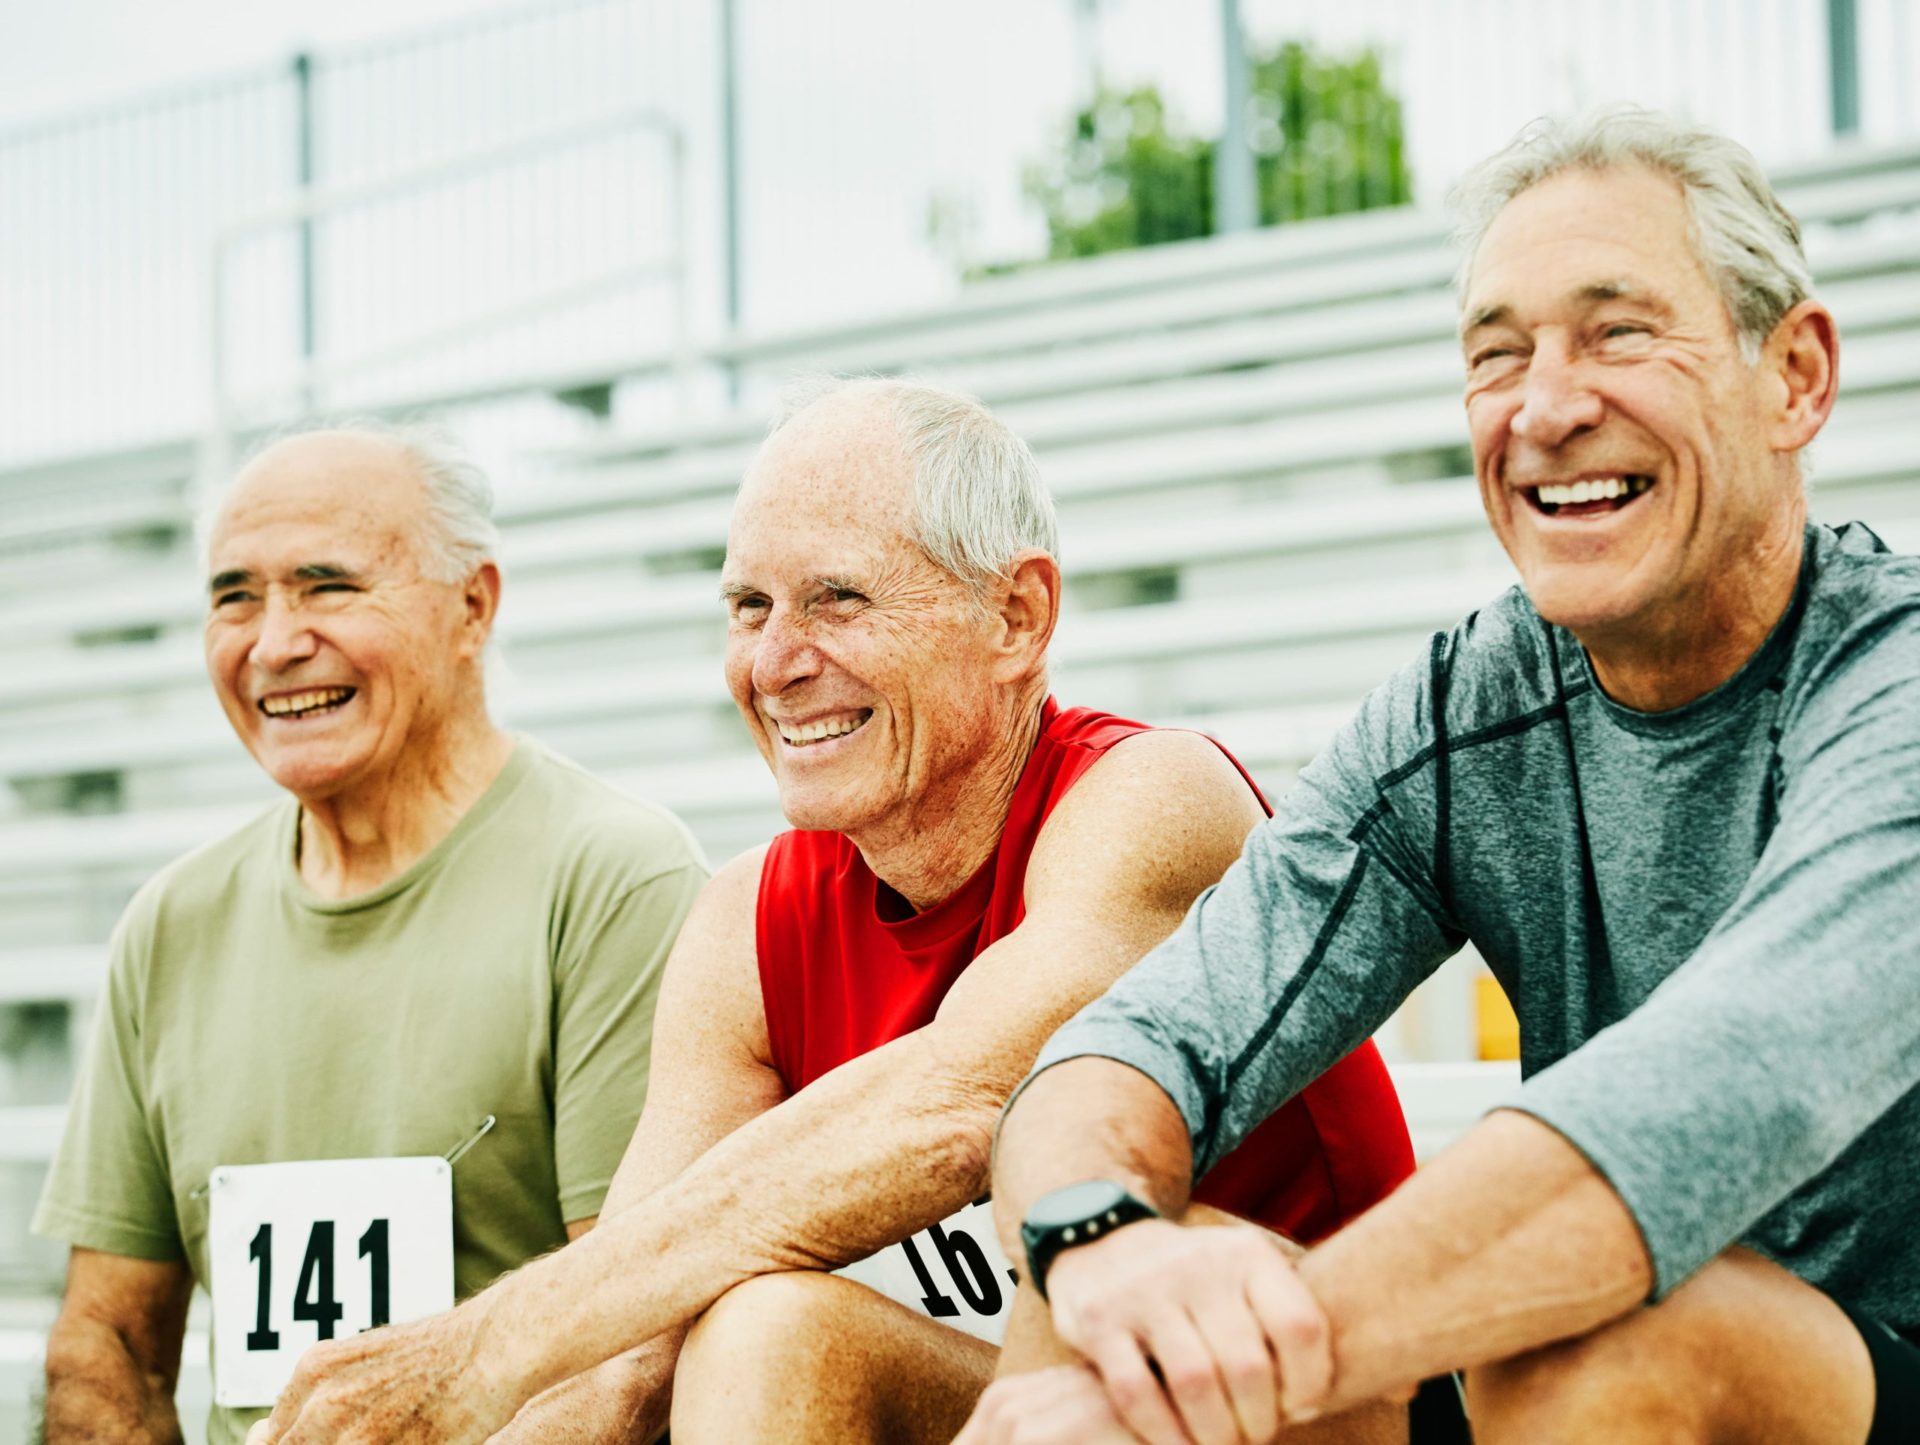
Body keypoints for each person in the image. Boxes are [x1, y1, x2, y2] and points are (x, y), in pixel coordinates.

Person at [959, 106, 1920, 1445]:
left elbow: (1714, 1098)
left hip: (1851, 1369)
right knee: (1117, 1283)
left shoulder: (1898, 684)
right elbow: (1137, 1040)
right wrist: (1100, 1239)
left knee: (1599, 1338)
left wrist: (1224, 1374)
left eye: (1619, 332)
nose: (1546, 405)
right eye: (1497, 353)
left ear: (1796, 377)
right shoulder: (1471, 705)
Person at [245, 378, 1420, 1444]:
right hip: (1028, 1402)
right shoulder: (744, 921)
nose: (775, 660)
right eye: (748, 606)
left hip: (1312, 1394)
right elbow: (622, 1359)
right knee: (741, 1327)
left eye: (837, 599)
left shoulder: (1155, 799)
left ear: (1017, 617)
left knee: (774, 1328)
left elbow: (959, 1105)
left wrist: (483, 1345)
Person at [33, 422, 708, 1445]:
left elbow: (635, 1347)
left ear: (473, 605)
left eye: (328, 585)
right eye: (234, 596)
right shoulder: (170, 924)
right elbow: (107, 1343)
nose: (273, 642)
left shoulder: (616, 877)